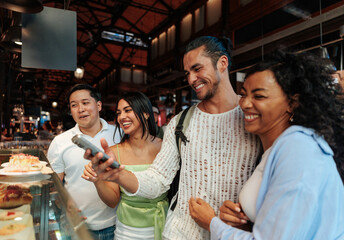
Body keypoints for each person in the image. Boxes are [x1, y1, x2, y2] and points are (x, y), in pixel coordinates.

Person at [84, 36, 261, 239]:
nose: (191, 79)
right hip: (180, 233)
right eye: (188, 73)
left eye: (197, 69)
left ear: (222, 63)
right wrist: (118, 175)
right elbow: (158, 180)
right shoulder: (180, 123)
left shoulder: (253, 117)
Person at [188, 50, 344, 239]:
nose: (245, 104)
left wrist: (212, 223)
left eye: (259, 96)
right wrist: (244, 223)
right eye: (244, 94)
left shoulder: (298, 148)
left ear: (292, 103)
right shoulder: (275, 150)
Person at [82, 91, 167, 240]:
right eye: (119, 112)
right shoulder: (115, 152)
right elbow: (112, 201)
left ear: (146, 114)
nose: (121, 117)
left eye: (128, 110)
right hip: (128, 231)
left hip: (164, 225)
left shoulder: (165, 147)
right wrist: (97, 180)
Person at [47, 84, 121, 240]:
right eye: (74, 105)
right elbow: (54, 185)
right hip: (75, 224)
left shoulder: (119, 134)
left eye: (85, 102)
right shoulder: (60, 142)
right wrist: (63, 206)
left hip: (115, 224)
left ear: (99, 105)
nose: (80, 109)